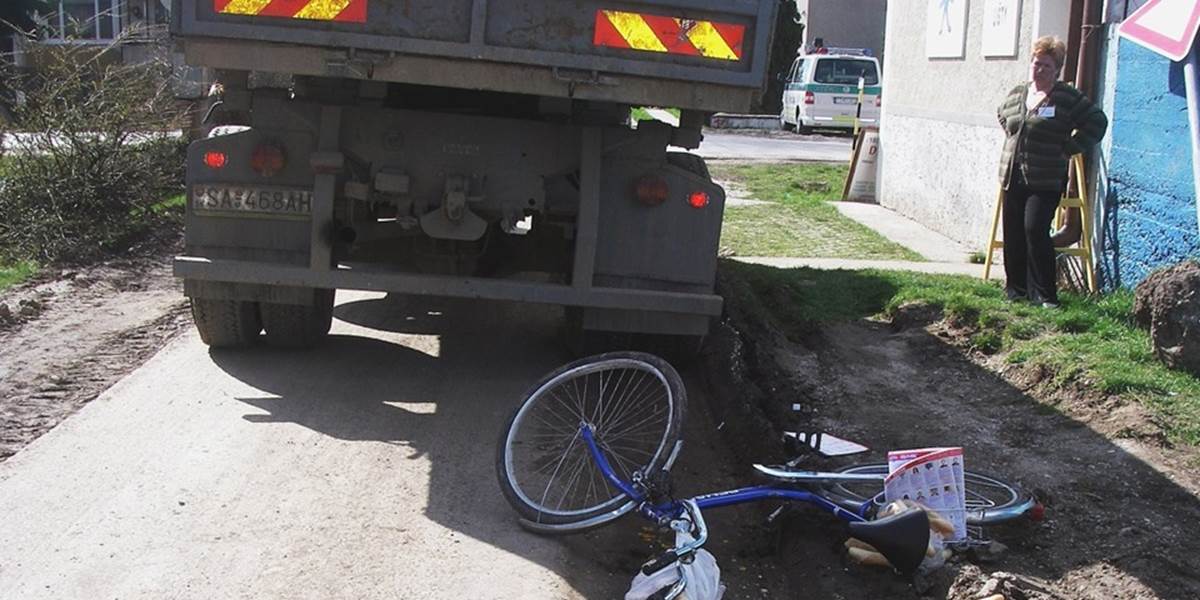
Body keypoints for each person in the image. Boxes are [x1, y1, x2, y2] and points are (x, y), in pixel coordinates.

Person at [996, 36, 1107, 308]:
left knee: (1034, 229)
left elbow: (1097, 122)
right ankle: (1016, 291)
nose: (1039, 70)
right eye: (1036, 64)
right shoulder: (1018, 93)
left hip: (1046, 178)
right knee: (1013, 233)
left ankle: (1045, 296)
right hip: (1013, 176)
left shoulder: (1066, 97)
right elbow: (1003, 116)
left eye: (1046, 65)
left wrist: (1069, 147)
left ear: (1057, 69)